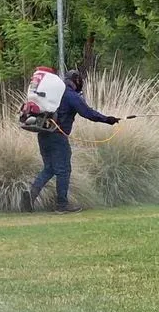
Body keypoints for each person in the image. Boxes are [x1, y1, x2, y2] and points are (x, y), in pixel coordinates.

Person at [22, 69, 120, 214]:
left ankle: (31, 196)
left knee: (49, 168)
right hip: (58, 136)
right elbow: (87, 113)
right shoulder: (69, 95)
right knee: (63, 170)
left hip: (43, 133)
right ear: (76, 80)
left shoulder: (54, 94)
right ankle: (62, 205)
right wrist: (107, 119)